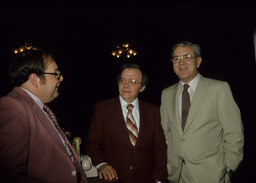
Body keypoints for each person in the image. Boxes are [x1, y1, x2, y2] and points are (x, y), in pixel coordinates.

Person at [160, 41, 244, 183]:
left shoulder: (219, 89)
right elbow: (167, 133)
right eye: (176, 58)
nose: (181, 63)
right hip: (177, 175)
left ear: (198, 61)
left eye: (187, 57)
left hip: (213, 175)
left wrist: (228, 170)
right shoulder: (166, 94)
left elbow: (234, 132)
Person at [0, 50, 87, 183]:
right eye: (56, 73)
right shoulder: (13, 106)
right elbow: (10, 175)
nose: (61, 78)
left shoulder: (38, 107)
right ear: (35, 79)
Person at [85, 64, 167, 183]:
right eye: (123, 80)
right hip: (114, 179)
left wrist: (159, 177)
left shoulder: (153, 111)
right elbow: (92, 143)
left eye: (132, 81)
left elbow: (159, 148)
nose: (126, 85)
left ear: (142, 87)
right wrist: (102, 165)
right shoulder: (102, 108)